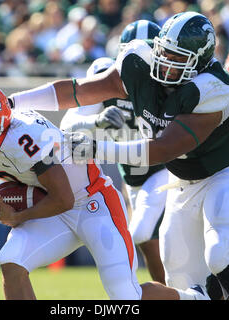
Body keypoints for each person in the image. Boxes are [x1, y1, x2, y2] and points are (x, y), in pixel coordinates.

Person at [8, 12, 229, 300]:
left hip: (225, 171)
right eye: (165, 51)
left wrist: (96, 148)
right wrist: (13, 102)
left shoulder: (211, 87)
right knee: (178, 273)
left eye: (178, 57)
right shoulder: (139, 61)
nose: (166, 61)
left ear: (200, 60)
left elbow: (164, 148)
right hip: (182, 178)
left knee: (221, 253)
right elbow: (79, 91)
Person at [0, 82, 209, 300]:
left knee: (125, 297)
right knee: (11, 261)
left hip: (93, 202)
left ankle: (195, 299)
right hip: (55, 206)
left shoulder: (24, 138)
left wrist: (21, 216)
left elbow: (65, 198)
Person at [60, 19, 167, 284]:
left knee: (142, 232)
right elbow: (68, 125)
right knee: (153, 240)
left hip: (168, 167)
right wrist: (94, 122)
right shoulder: (106, 72)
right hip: (133, 174)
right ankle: (173, 291)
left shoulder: (167, 79)